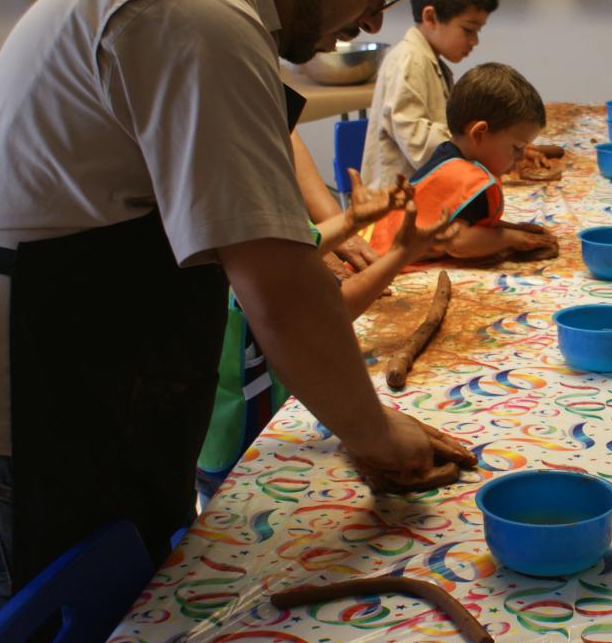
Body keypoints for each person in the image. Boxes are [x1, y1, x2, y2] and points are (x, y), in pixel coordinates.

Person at [0, 0, 472, 639]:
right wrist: (379, 436)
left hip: (83, 365)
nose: (367, 16)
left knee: (128, 630)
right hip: (32, 402)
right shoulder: (193, 9)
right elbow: (279, 290)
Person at [196, 171, 459, 505]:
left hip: (244, 426)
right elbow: (333, 306)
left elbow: (304, 243)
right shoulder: (242, 237)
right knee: (233, 513)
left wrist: (351, 220)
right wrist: (400, 254)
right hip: (232, 441)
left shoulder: (230, 213)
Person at [189, 0, 379, 274]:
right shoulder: (204, 6)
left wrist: (335, 225)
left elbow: (278, 125)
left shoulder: (243, 8)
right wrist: (326, 237)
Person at [367, 63, 558, 263]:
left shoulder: (449, 155)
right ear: (479, 134)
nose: (520, 158)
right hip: (377, 261)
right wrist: (509, 239)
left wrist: (513, 229)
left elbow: (466, 221)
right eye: (517, 147)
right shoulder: (462, 177)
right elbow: (457, 241)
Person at [361, 0, 499, 189]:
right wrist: (479, 146)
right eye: (468, 30)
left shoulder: (431, 61)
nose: (474, 41)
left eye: (478, 31)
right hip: (393, 209)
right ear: (431, 17)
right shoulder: (409, 61)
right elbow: (418, 143)